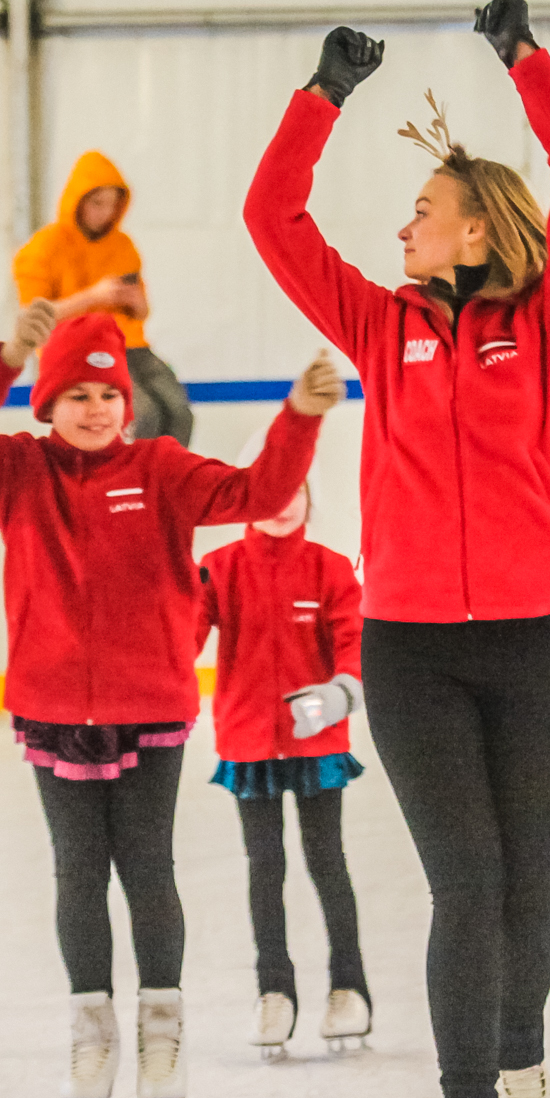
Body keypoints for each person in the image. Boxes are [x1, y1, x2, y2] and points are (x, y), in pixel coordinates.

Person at [242, 0, 550, 1098]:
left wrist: (525, 61)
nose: (403, 225)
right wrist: (321, 97)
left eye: (422, 212)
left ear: (473, 233)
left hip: (530, 642)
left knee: (535, 892)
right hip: (409, 650)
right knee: (467, 883)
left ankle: (522, 1051)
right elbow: (273, 218)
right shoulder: (376, 322)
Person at [0, 301, 333, 1098]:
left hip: (151, 705)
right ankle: (91, 1028)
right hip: (51, 707)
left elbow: (262, 491)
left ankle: (160, 1028)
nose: (96, 409)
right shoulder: (16, 474)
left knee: (147, 866)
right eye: (76, 396)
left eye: (108, 396)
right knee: (78, 869)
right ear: (47, 405)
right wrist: (4, 356)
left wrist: (299, 418)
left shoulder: (163, 469)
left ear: (127, 404)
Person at [195, 417, 372, 1060]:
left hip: (317, 743)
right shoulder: (217, 570)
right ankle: (275, 989)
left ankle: (350, 986)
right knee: (264, 867)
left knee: (327, 862)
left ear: (308, 498)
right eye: (268, 493)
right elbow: (182, 635)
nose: (280, 505)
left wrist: (338, 695)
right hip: (248, 745)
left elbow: (355, 649)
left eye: (293, 491)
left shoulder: (329, 572)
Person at [13, 152, 197, 445]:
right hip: (76, 349)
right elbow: (33, 315)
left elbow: (141, 313)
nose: (106, 213)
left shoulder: (123, 246)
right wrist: (93, 296)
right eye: (98, 204)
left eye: (113, 205)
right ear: (77, 201)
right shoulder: (43, 248)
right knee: (143, 415)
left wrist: (136, 302)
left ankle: (169, 485)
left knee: (179, 413)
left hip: (130, 344)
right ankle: (135, 484)